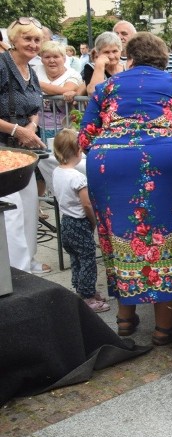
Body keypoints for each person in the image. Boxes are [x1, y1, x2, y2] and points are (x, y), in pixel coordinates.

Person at [78, 32, 172, 345]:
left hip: (109, 162)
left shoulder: (106, 87)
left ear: (128, 59)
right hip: (166, 159)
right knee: (169, 237)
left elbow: (84, 138)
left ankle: (125, 319)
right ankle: (164, 328)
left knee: (119, 236)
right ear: (163, 61)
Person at [0, 16, 49, 275]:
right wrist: (18, 130)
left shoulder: (32, 71)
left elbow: (35, 107)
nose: (32, 44)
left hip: (24, 149)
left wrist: (31, 126)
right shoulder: (1, 65)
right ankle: (14, 271)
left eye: (37, 39)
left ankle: (29, 264)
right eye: (27, 38)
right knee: (11, 213)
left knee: (30, 206)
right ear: (13, 40)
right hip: (2, 150)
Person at [52, 128, 109, 313]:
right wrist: (94, 222)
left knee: (75, 258)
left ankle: (81, 290)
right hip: (79, 222)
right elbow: (87, 204)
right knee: (87, 259)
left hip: (65, 221)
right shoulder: (77, 178)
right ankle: (88, 296)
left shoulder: (57, 172)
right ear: (79, 150)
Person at [36, 41, 84, 136]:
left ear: (64, 58)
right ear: (41, 59)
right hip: (40, 127)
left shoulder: (73, 74)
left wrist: (34, 82)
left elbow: (66, 90)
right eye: (47, 57)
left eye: (56, 57)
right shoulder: (35, 70)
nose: (51, 60)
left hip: (67, 128)